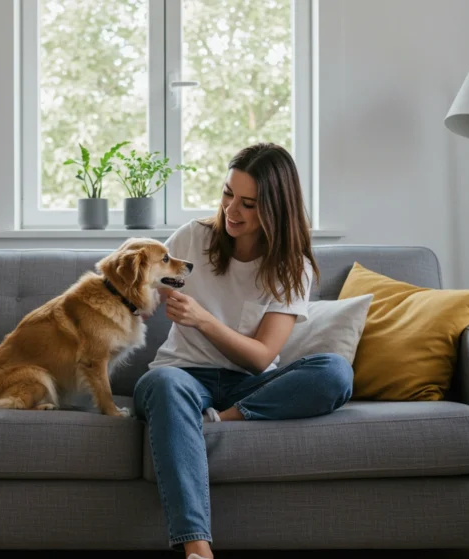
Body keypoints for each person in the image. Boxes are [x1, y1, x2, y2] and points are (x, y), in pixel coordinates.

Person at [133, 143, 354, 559]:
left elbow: (259, 356)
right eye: (227, 194)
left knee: (335, 373)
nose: (232, 210)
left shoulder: (293, 267)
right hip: (182, 376)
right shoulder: (193, 237)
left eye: (248, 204)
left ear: (275, 209)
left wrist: (202, 319)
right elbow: (142, 287)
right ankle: (198, 550)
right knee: (163, 383)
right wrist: (136, 302)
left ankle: (218, 421)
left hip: (249, 386)